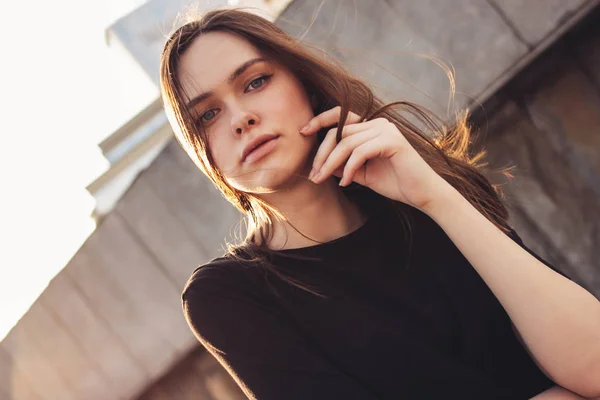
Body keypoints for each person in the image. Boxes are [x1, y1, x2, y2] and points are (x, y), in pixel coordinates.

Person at [159, 8, 600, 400]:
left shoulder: (423, 204)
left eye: (255, 82)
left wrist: (434, 196)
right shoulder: (230, 297)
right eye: (207, 115)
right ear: (203, 153)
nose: (241, 118)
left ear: (305, 87)